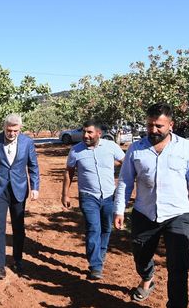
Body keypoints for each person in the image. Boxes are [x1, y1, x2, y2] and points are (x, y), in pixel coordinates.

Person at [114, 103, 189, 307]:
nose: (153, 130)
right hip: (144, 212)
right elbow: (125, 180)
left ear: (171, 125)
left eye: (159, 125)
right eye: (150, 125)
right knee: (140, 255)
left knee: (178, 266)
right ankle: (147, 276)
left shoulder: (186, 148)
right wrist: (119, 209)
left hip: (177, 214)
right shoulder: (136, 148)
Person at [61, 120, 124, 280]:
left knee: (106, 228)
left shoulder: (111, 147)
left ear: (98, 133)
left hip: (110, 196)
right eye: (84, 132)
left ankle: (100, 254)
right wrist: (65, 194)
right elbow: (69, 172)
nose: (85, 135)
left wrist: (124, 183)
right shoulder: (76, 151)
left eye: (89, 132)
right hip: (88, 196)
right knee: (93, 228)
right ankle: (95, 265)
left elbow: (127, 164)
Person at [0, 113, 40, 279]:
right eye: (9, 130)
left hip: (18, 189)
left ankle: (18, 260)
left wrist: (35, 187)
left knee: (18, 227)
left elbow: (33, 166)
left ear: (20, 129)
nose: (12, 134)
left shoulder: (27, 142)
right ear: (4, 127)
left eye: (15, 131)